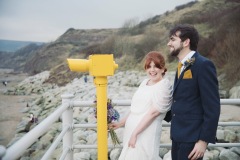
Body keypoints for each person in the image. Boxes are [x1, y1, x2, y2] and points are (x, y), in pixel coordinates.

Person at [166, 24, 220, 160]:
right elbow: (180, 99)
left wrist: (203, 141)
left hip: (192, 139)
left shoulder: (203, 65)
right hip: (177, 136)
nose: (169, 43)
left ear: (186, 42)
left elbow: (212, 107)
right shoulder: (181, 65)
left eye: (172, 39)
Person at [109, 51, 172, 160]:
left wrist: (135, 133)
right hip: (132, 131)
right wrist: (121, 123)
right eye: (149, 66)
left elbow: (153, 113)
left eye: (156, 66)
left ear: (162, 69)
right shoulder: (145, 83)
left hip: (145, 133)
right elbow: (136, 109)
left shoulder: (164, 86)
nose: (152, 70)